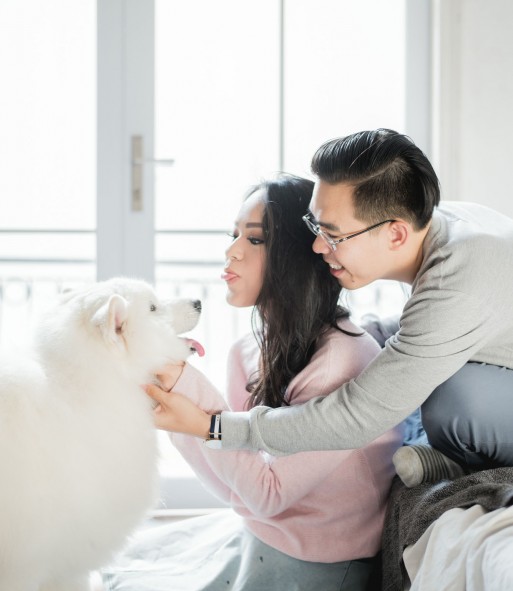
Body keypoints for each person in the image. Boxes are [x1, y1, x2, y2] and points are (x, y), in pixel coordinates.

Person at [95, 174, 402, 591]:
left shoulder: (342, 361)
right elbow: (237, 490)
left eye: (255, 239)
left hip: (312, 576)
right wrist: (190, 418)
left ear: (302, 254)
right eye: (234, 234)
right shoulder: (251, 349)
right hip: (262, 539)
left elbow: (267, 493)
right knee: (113, 563)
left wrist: (200, 411)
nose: (232, 251)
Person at [158, 129, 513, 487]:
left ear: (395, 234)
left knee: (452, 401)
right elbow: (422, 329)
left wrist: (214, 427)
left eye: (332, 234)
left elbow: (357, 416)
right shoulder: (440, 225)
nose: (316, 246)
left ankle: (456, 461)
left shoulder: (456, 281)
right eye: (314, 225)